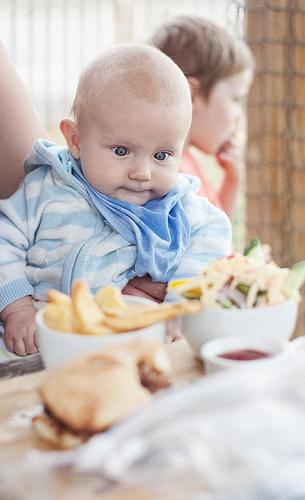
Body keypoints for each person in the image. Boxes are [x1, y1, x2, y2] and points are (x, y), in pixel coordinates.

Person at [0, 44, 231, 356]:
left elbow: (213, 239)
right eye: (122, 151)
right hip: (39, 340)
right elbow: (3, 240)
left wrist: (178, 307)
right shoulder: (45, 191)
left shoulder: (179, 210)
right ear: (75, 141)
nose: (142, 173)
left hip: (130, 347)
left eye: (162, 155)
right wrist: (16, 308)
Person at [149, 16, 254, 216]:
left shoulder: (182, 162)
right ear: (191, 95)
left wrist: (232, 181)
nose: (239, 115)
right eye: (236, 99)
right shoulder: (174, 176)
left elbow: (212, 231)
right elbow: (211, 245)